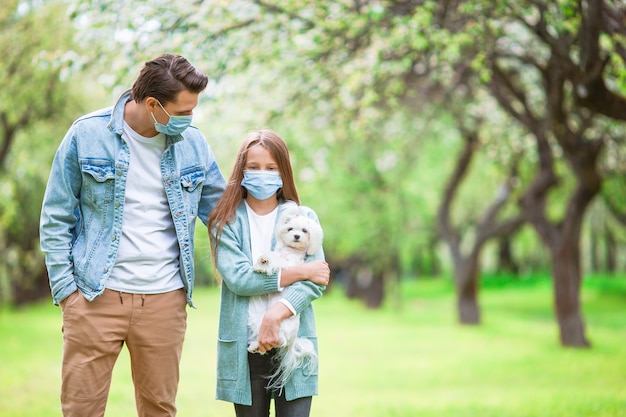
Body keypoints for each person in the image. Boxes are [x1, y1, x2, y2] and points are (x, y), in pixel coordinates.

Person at [39, 54, 226, 417]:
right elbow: (55, 217)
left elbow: (223, 213)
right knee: (81, 410)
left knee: (159, 409)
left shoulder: (194, 144)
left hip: (164, 300)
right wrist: (67, 293)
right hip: (94, 297)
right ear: (153, 104)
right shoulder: (86, 134)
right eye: (184, 111)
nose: (190, 119)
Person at [208, 129, 330, 417]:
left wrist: (277, 313)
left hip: (293, 345)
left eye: (271, 168)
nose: (262, 174)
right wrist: (300, 270)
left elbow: (317, 281)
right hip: (246, 348)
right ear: (241, 171)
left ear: (283, 172)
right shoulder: (225, 220)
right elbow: (239, 278)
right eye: (253, 167)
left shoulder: (302, 218)